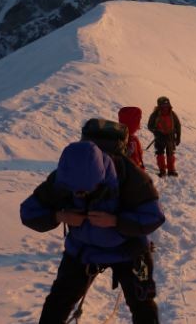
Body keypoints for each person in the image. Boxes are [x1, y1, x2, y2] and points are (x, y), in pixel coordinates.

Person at [20, 132, 166, 324]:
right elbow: (29, 212)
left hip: (129, 250)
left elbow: (154, 217)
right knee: (56, 305)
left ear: (101, 177)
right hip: (83, 250)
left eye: (84, 190)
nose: (78, 195)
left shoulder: (130, 177)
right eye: (74, 191)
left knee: (143, 305)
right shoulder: (63, 178)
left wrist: (116, 221)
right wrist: (59, 216)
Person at [147, 96, 181, 177]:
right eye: (163, 105)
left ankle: (171, 170)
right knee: (160, 153)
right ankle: (162, 171)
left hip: (170, 136)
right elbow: (150, 126)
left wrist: (178, 137)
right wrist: (156, 132)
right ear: (159, 105)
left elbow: (178, 125)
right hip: (160, 137)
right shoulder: (155, 114)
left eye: (167, 104)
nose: (165, 106)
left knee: (170, 153)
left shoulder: (172, 114)